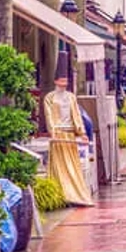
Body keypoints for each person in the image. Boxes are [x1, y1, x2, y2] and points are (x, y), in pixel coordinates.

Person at [42, 76, 95, 206]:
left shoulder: (71, 97)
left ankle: (75, 193)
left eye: (65, 81)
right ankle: (61, 194)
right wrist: (52, 132)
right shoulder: (49, 97)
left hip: (70, 134)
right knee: (59, 164)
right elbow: (49, 116)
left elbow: (76, 114)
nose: (64, 83)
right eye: (61, 80)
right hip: (58, 134)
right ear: (55, 81)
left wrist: (82, 132)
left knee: (72, 165)